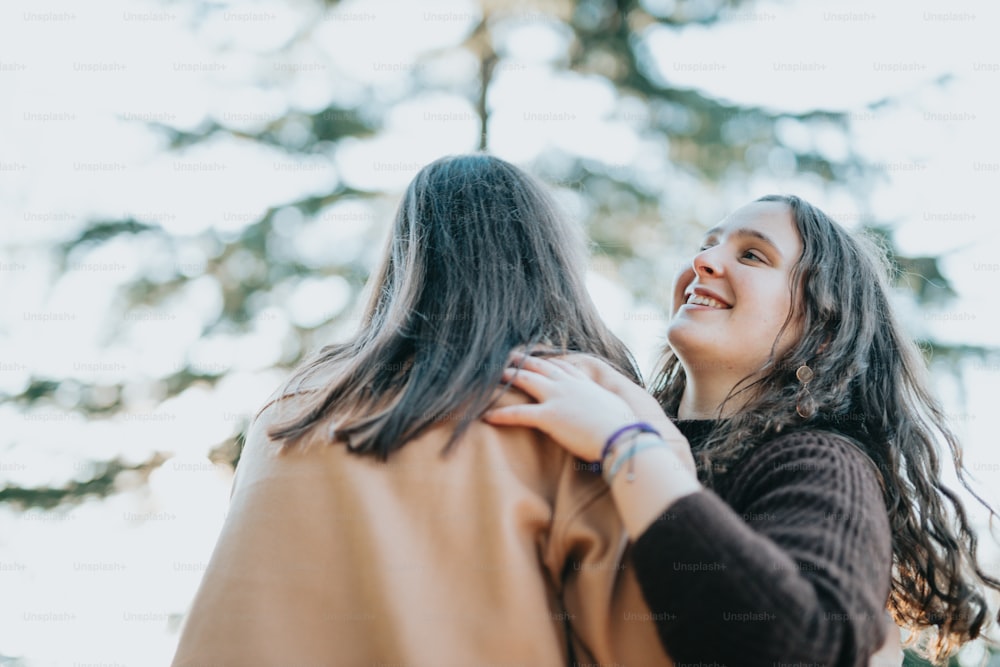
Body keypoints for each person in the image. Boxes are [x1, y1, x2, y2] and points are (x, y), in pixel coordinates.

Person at [170, 154, 674, 666]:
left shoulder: (295, 409)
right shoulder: (581, 405)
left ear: (404, 257)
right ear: (553, 258)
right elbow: (648, 640)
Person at [485, 195, 1000, 666]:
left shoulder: (817, 462)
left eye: (753, 256)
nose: (702, 263)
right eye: (706, 245)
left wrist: (627, 449)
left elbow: (802, 649)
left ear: (822, 333)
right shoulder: (601, 413)